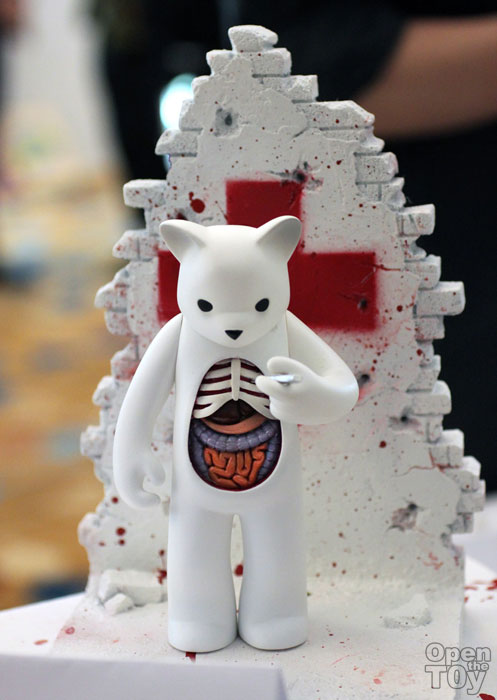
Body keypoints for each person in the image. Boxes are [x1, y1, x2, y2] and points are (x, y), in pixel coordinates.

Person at [93, 0, 497, 490]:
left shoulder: (287, 321)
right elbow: (142, 398)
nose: (232, 318)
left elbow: (340, 387)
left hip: (284, 455)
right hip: (209, 466)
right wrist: (132, 449)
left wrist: (319, 394)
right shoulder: (183, 330)